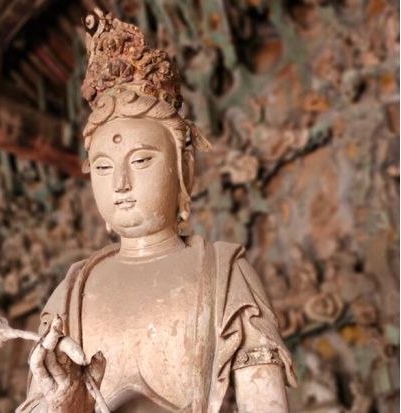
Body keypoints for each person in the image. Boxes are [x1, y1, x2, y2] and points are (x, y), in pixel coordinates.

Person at [17, 9, 296, 413]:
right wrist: (62, 403)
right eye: (103, 168)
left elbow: (265, 403)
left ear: (185, 168)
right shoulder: (72, 292)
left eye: (142, 160)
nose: (121, 183)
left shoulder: (223, 273)